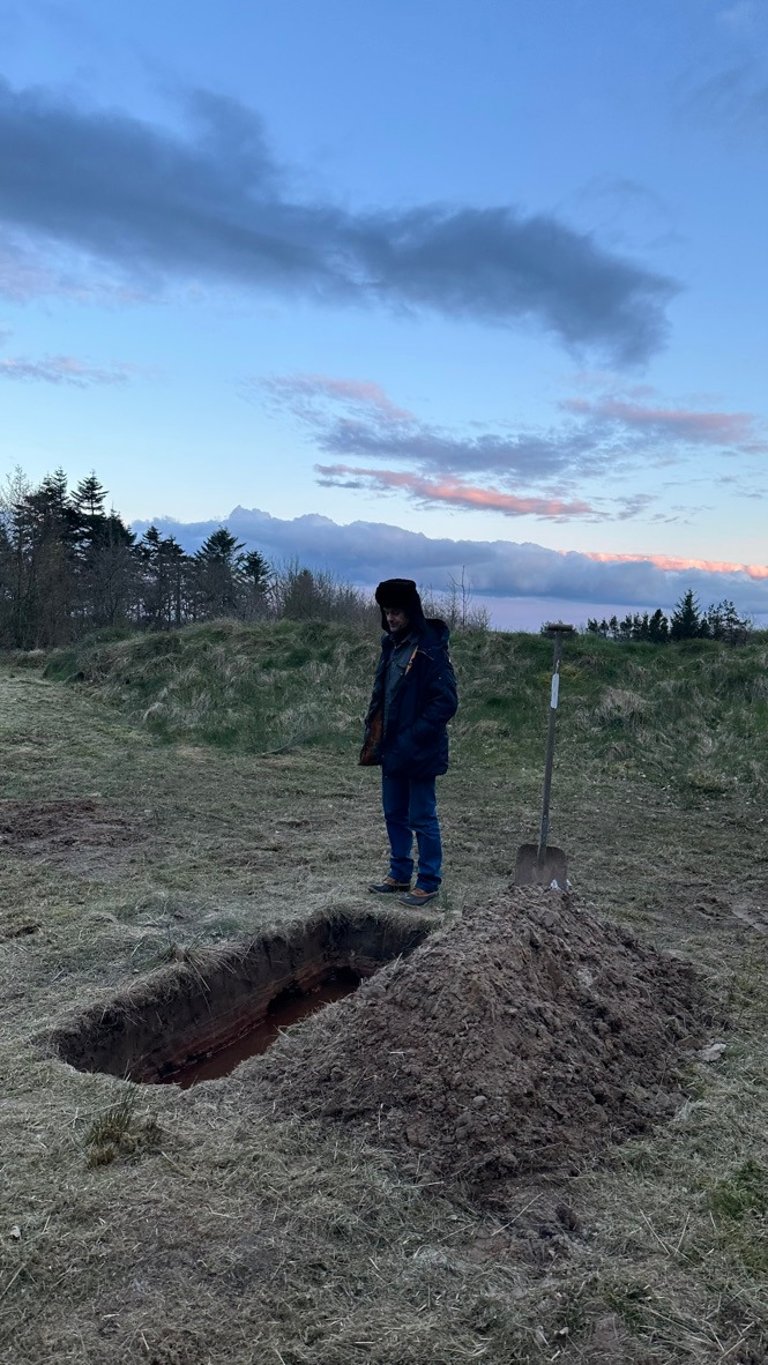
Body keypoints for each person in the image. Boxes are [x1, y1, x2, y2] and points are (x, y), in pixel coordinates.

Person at [360, 578, 458, 907]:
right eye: (387, 612)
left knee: (422, 817)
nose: (391, 618)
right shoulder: (390, 646)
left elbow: (446, 702)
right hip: (391, 747)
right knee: (394, 813)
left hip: (419, 749)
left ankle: (428, 881)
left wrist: (413, 735)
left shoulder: (430, 649)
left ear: (410, 612)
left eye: (397, 612)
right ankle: (400, 873)